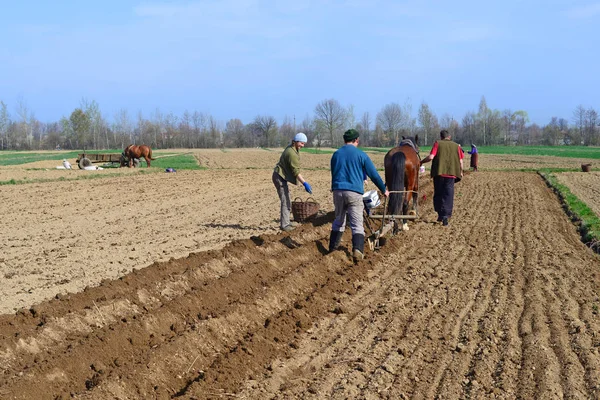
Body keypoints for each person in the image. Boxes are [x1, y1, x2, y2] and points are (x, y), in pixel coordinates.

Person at [329, 129, 389, 261]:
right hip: (354, 192)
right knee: (357, 223)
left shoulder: (336, 154)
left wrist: (335, 187)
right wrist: (383, 189)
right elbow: (373, 174)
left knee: (339, 220)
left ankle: (332, 249)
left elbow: (333, 172)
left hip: (338, 191)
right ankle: (357, 251)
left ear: (344, 140)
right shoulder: (361, 155)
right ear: (357, 140)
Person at [420, 129, 464, 226]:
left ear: (441, 137)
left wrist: (422, 162)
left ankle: (440, 214)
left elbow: (431, 157)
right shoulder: (457, 146)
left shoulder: (437, 143)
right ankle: (445, 216)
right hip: (451, 175)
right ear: (450, 137)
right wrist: (461, 171)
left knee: (438, 193)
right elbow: (461, 161)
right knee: (448, 195)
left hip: (439, 173)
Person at [273, 132, 312, 232]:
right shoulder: (291, 153)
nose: (303, 146)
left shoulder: (292, 148)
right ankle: (285, 225)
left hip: (280, 176)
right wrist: (305, 183)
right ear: (296, 142)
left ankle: (286, 222)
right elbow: (296, 172)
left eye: (304, 144)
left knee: (287, 199)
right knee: (285, 200)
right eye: (302, 143)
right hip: (279, 177)